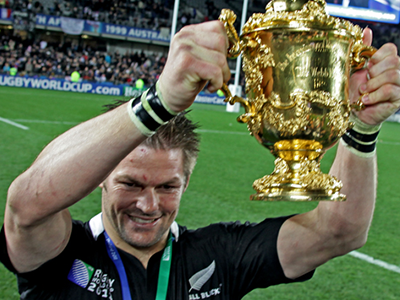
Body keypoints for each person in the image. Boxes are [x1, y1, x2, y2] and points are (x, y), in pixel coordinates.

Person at [1, 20, 400, 299]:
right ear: (101, 178)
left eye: (167, 186)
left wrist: (361, 130)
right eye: (131, 183)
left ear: (186, 183)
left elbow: (340, 232)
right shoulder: (63, 256)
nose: (149, 204)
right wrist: (157, 103)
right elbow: (26, 207)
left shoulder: (216, 256)